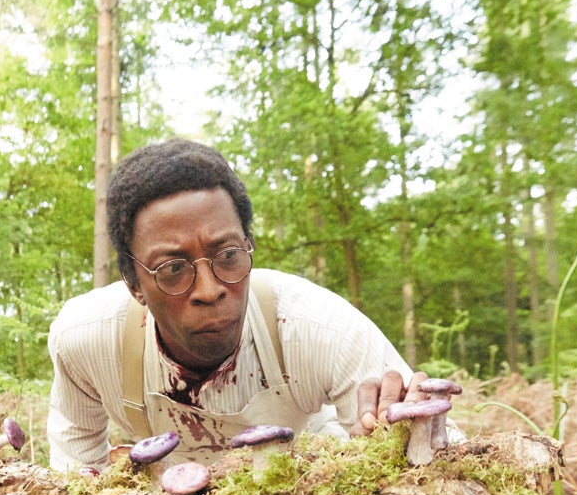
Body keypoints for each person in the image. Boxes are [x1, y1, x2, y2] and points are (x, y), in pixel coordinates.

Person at [46, 138, 431, 471]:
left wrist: (403, 434)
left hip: (305, 488)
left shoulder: (318, 328)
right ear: (133, 284)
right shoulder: (88, 340)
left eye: (228, 254)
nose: (210, 290)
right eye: (173, 269)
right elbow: (76, 476)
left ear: (249, 246)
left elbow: (435, 458)